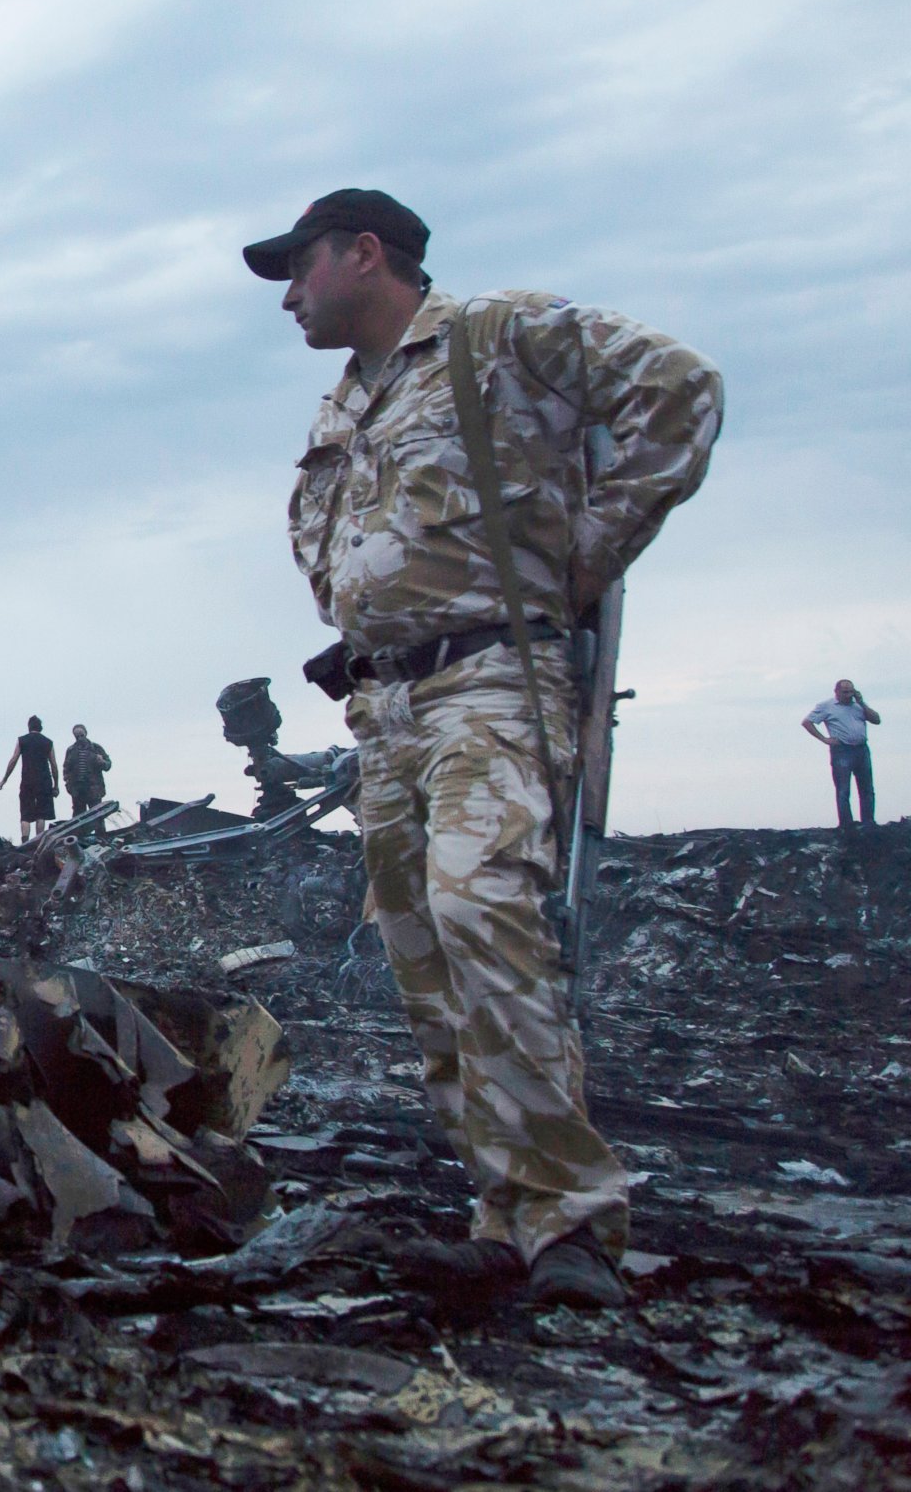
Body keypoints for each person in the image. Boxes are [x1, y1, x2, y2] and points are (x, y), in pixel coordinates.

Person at [251, 188, 723, 1309]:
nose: (287, 293)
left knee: (485, 914)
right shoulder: (347, 403)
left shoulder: (499, 336)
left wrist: (583, 559)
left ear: (365, 254)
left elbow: (681, 392)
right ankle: (504, 1213)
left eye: (300, 266)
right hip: (388, 711)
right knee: (426, 956)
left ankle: (570, 1224)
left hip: (490, 685)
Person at [803, 679, 881, 829]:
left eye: (851, 691)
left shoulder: (858, 705)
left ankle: (868, 822)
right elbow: (807, 722)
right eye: (845, 692)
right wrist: (824, 739)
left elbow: (876, 720)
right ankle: (846, 825)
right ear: (837, 692)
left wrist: (862, 703)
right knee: (843, 789)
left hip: (861, 749)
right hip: (842, 750)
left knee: (867, 788)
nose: (848, 695)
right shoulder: (826, 706)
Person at [0, 717, 58, 840]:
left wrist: (4, 779)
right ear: (40, 727)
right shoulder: (48, 742)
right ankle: (39, 841)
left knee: (25, 814)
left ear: (29, 727)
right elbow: (54, 765)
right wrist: (56, 785)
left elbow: (13, 760)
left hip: (27, 780)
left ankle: (25, 841)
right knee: (41, 814)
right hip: (44, 780)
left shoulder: (22, 740)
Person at [63, 725, 111, 815]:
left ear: (86, 733)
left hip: (94, 789)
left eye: (82, 735)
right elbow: (66, 769)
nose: (80, 738)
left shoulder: (96, 748)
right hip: (77, 791)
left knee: (97, 815)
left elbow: (108, 765)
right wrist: (69, 785)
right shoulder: (71, 750)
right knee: (78, 817)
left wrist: (102, 762)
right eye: (77, 737)